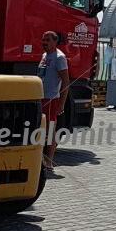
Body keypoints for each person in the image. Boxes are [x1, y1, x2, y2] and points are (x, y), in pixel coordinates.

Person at [38, 30, 70, 169]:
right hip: (40, 97)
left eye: (48, 40)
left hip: (51, 99)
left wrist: (61, 103)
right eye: (43, 40)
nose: (44, 42)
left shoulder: (60, 57)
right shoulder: (44, 55)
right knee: (40, 129)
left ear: (55, 42)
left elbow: (65, 81)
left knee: (50, 130)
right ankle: (41, 158)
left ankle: (49, 161)